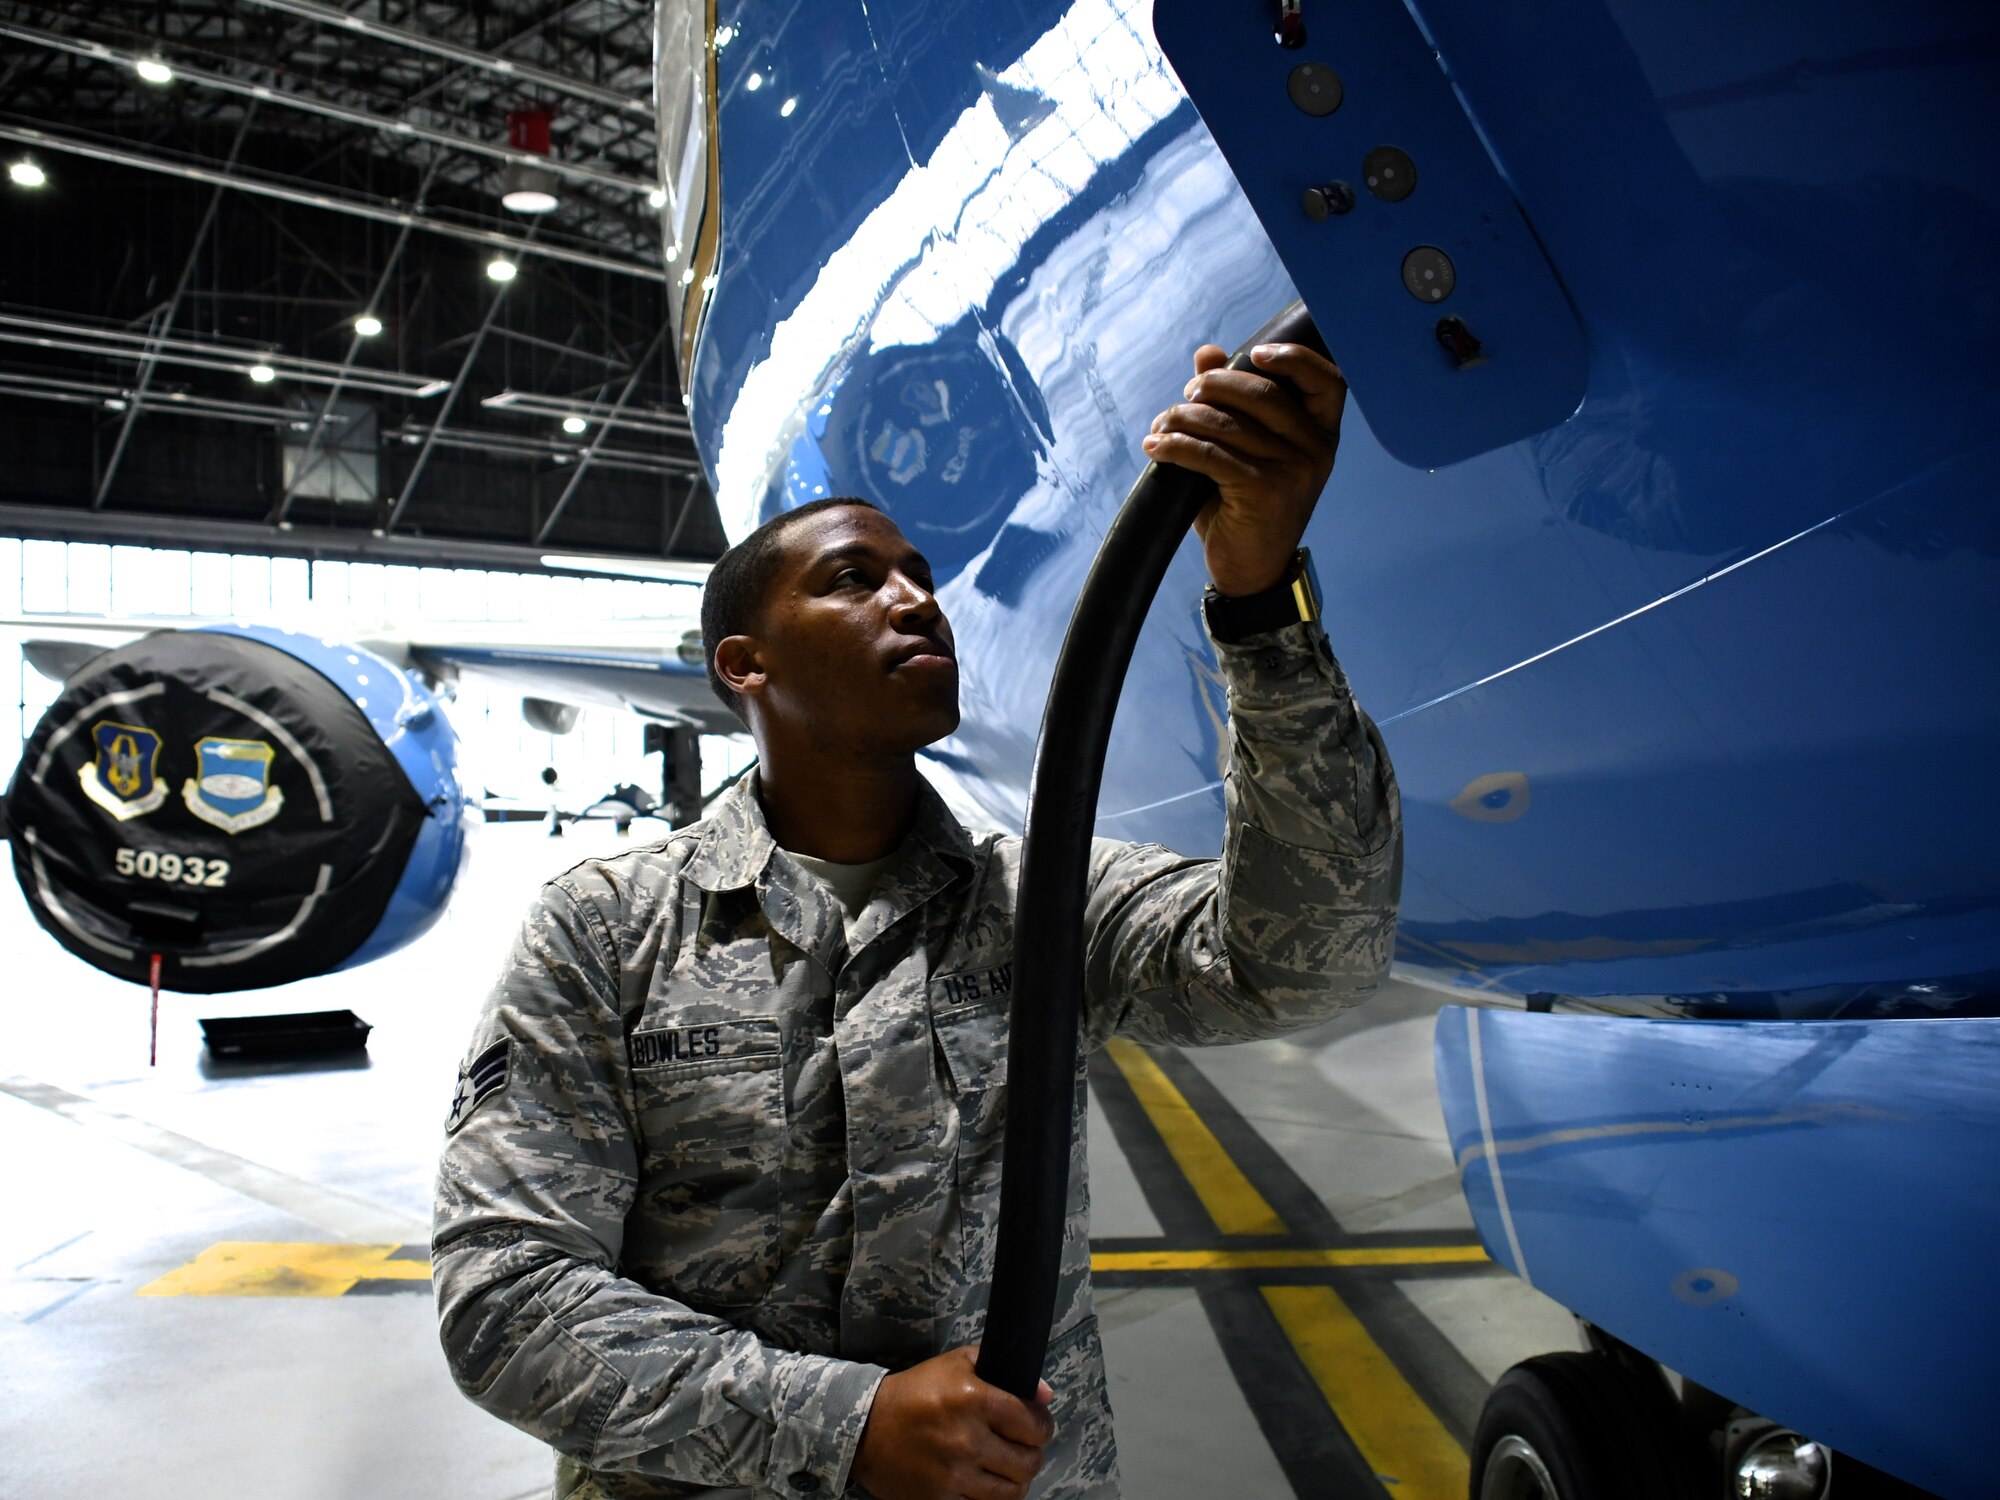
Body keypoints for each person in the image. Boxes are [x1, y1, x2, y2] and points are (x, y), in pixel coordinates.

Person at [432, 338, 1401, 1500]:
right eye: (853, 580)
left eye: (921, 576)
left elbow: (1305, 964)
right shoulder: (606, 929)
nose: (916, 601)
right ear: (745, 663)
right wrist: (844, 1427)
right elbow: (506, 1294)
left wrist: (1260, 603)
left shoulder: (1043, 900)